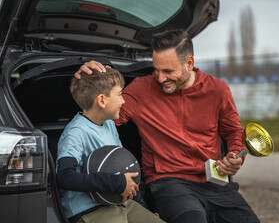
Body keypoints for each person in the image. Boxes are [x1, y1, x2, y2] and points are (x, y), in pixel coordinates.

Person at [75, 29, 259, 223]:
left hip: (214, 181)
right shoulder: (141, 89)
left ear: (189, 63)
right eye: (157, 69)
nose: (160, 78)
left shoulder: (218, 89)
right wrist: (90, 82)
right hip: (169, 182)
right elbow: (102, 115)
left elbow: (233, 132)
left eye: (168, 71)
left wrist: (236, 156)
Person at [56, 68, 165, 223]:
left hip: (120, 202)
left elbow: (124, 168)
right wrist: (117, 182)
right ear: (102, 100)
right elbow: (65, 177)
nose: (123, 101)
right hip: (88, 210)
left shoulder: (109, 124)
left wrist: (143, 206)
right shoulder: (76, 133)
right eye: (120, 94)